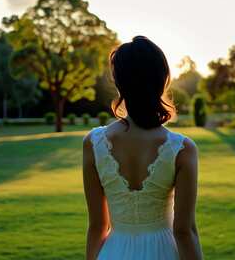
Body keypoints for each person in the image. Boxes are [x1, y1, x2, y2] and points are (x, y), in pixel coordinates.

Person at [82, 36, 203, 259]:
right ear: (162, 80)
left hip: (113, 252)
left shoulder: (93, 143)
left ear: (119, 83)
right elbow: (184, 231)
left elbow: (97, 226)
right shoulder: (182, 149)